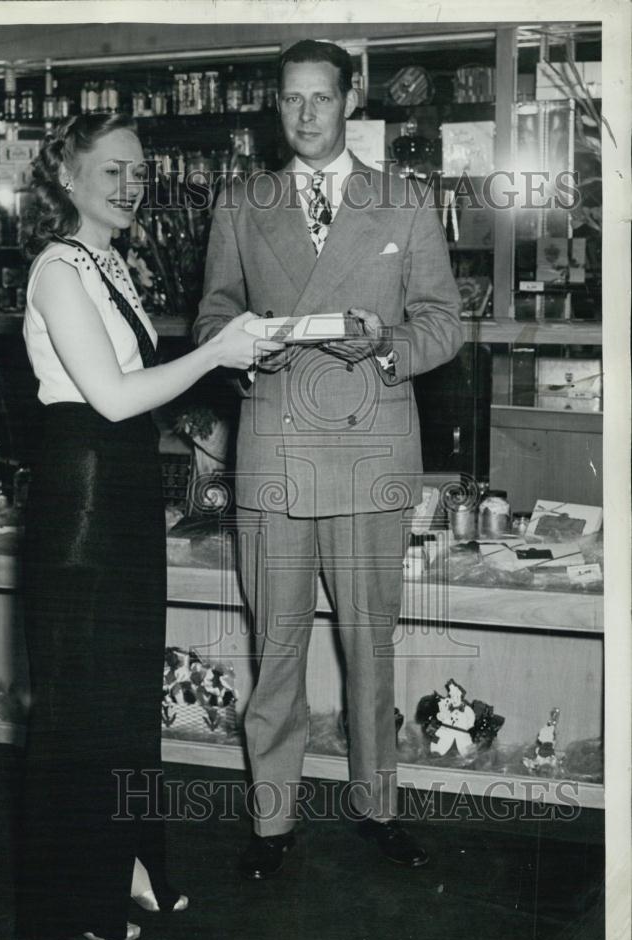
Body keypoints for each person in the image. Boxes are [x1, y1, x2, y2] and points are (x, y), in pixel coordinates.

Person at [194, 39, 465, 879]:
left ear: (350, 100)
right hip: (274, 447)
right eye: (289, 99)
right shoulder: (243, 201)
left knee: (369, 645)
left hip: (372, 448)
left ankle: (378, 806)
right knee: (274, 648)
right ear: (275, 105)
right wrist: (241, 348)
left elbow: (444, 323)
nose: (305, 114)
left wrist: (388, 347)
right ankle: (271, 824)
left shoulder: (405, 200)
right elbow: (210, 319)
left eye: (319, 97)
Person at [17, 112, 283, 940]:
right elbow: (113, 397)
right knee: (84, 706)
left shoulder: (111, 262)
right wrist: (216, 355)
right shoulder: (58, 269)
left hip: (122, 488)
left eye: (139, 173)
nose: (131, 187)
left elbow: (141, 390)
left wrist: (229, 367)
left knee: (126, 696)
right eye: (112, 173)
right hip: (83, 499)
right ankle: (79, 900)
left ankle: (127, 865)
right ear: (69, 178)